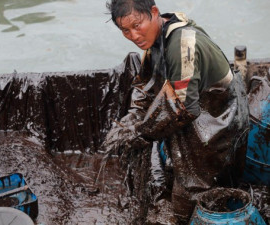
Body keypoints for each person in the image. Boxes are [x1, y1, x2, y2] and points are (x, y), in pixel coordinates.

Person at [102, 0, 250, 223]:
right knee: (171, 160)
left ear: (153, 12)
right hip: (195, 111)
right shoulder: (155, 38)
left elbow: (183, 107)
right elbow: (146, 87)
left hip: (219, 121)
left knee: (189, 193)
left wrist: (142, 133)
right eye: (125, 30)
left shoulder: (182, 45)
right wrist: (132, 118)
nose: (133, 35)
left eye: (137, 25)